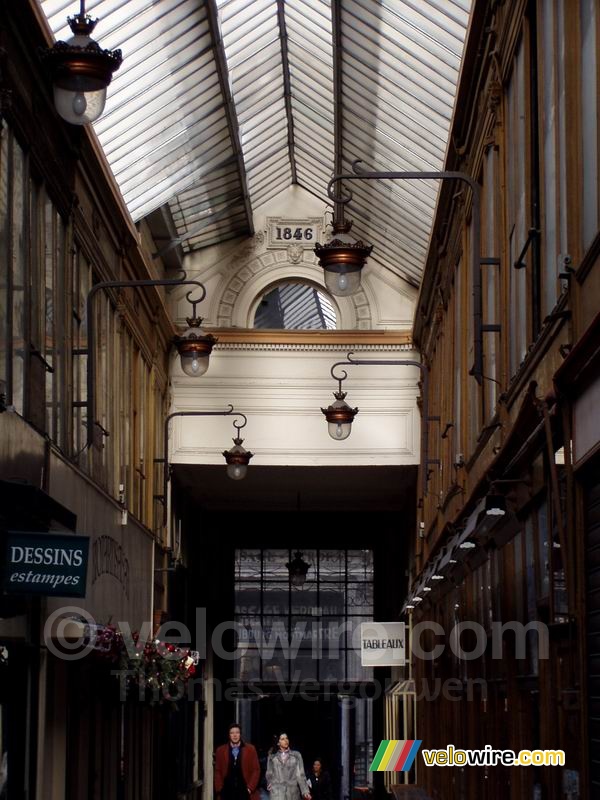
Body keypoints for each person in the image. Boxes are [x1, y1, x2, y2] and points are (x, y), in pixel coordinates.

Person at [215, 723, 261, 800]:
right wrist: (220, 789)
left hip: (245, 792)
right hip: (226, 793)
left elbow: (256, 770)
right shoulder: (220, 750)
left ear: (240, 734)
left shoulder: (250, 749)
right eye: (232, 733)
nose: (235, 735)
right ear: (229, 735)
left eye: (237, 732)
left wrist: (249, 788)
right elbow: (218, 771)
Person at [266, 733, 311, 800]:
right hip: (277, 794)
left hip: (292, 794)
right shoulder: (272, 757)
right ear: (278, 743)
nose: (286, 740)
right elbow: (269, 773)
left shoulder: (296, 755)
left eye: (287, 738)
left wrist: (305, 791)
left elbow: (300, 775)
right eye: (283, 739)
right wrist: (270, 784)